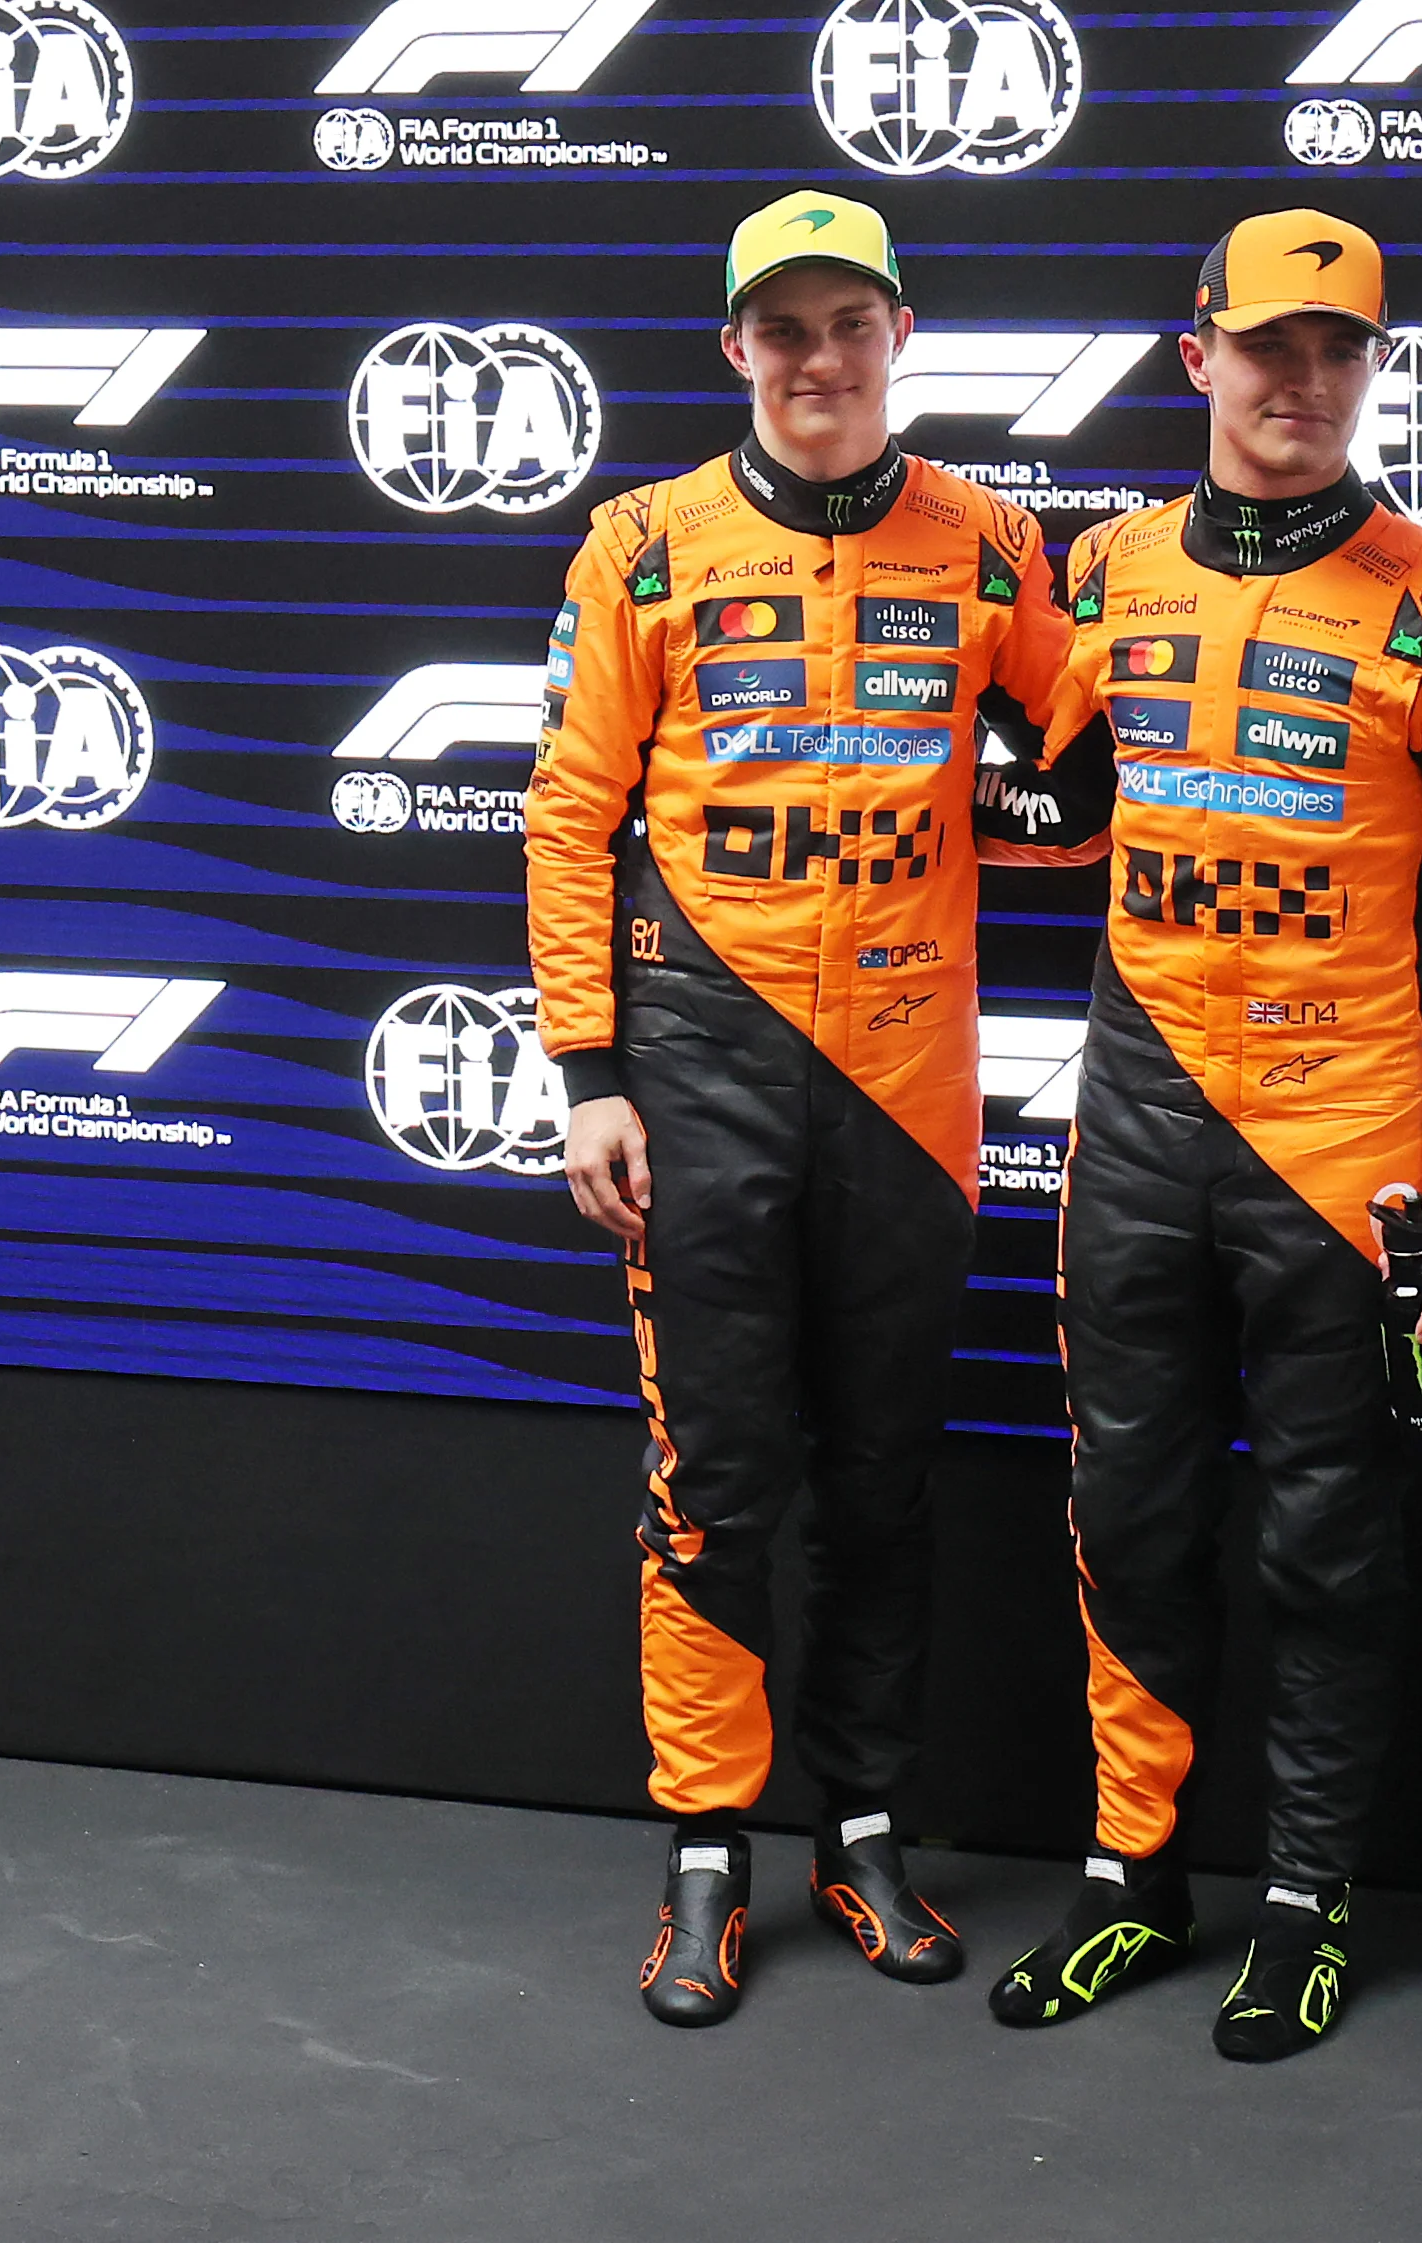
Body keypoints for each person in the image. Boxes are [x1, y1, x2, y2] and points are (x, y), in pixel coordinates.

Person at [978, 210, 1422, 2061]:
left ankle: (1304, 1902)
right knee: (1129, 1514)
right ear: (1198, 356)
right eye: (1271, 347)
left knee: (1330, 1540)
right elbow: (1050, 801)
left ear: (1370, 373)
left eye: (1340, 353)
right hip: (1140, 1122)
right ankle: (1129, 1877)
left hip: (1351, 1140)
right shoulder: (1112, 566)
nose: (1302, 385)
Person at [523, 189, 1090, 2027]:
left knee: (880, 1481)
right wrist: (592, 1070)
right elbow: (569, 810)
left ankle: (864, 1826)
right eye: (786, 330)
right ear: (736, 352)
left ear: (901, 337)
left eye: (851, 325)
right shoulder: (645, 544)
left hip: (911, 1086)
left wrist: (979, 816)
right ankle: (706, 1851)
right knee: (719, 1477)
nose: (820, 360)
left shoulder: (992, 544)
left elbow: (1087, 774)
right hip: (700, 1071)